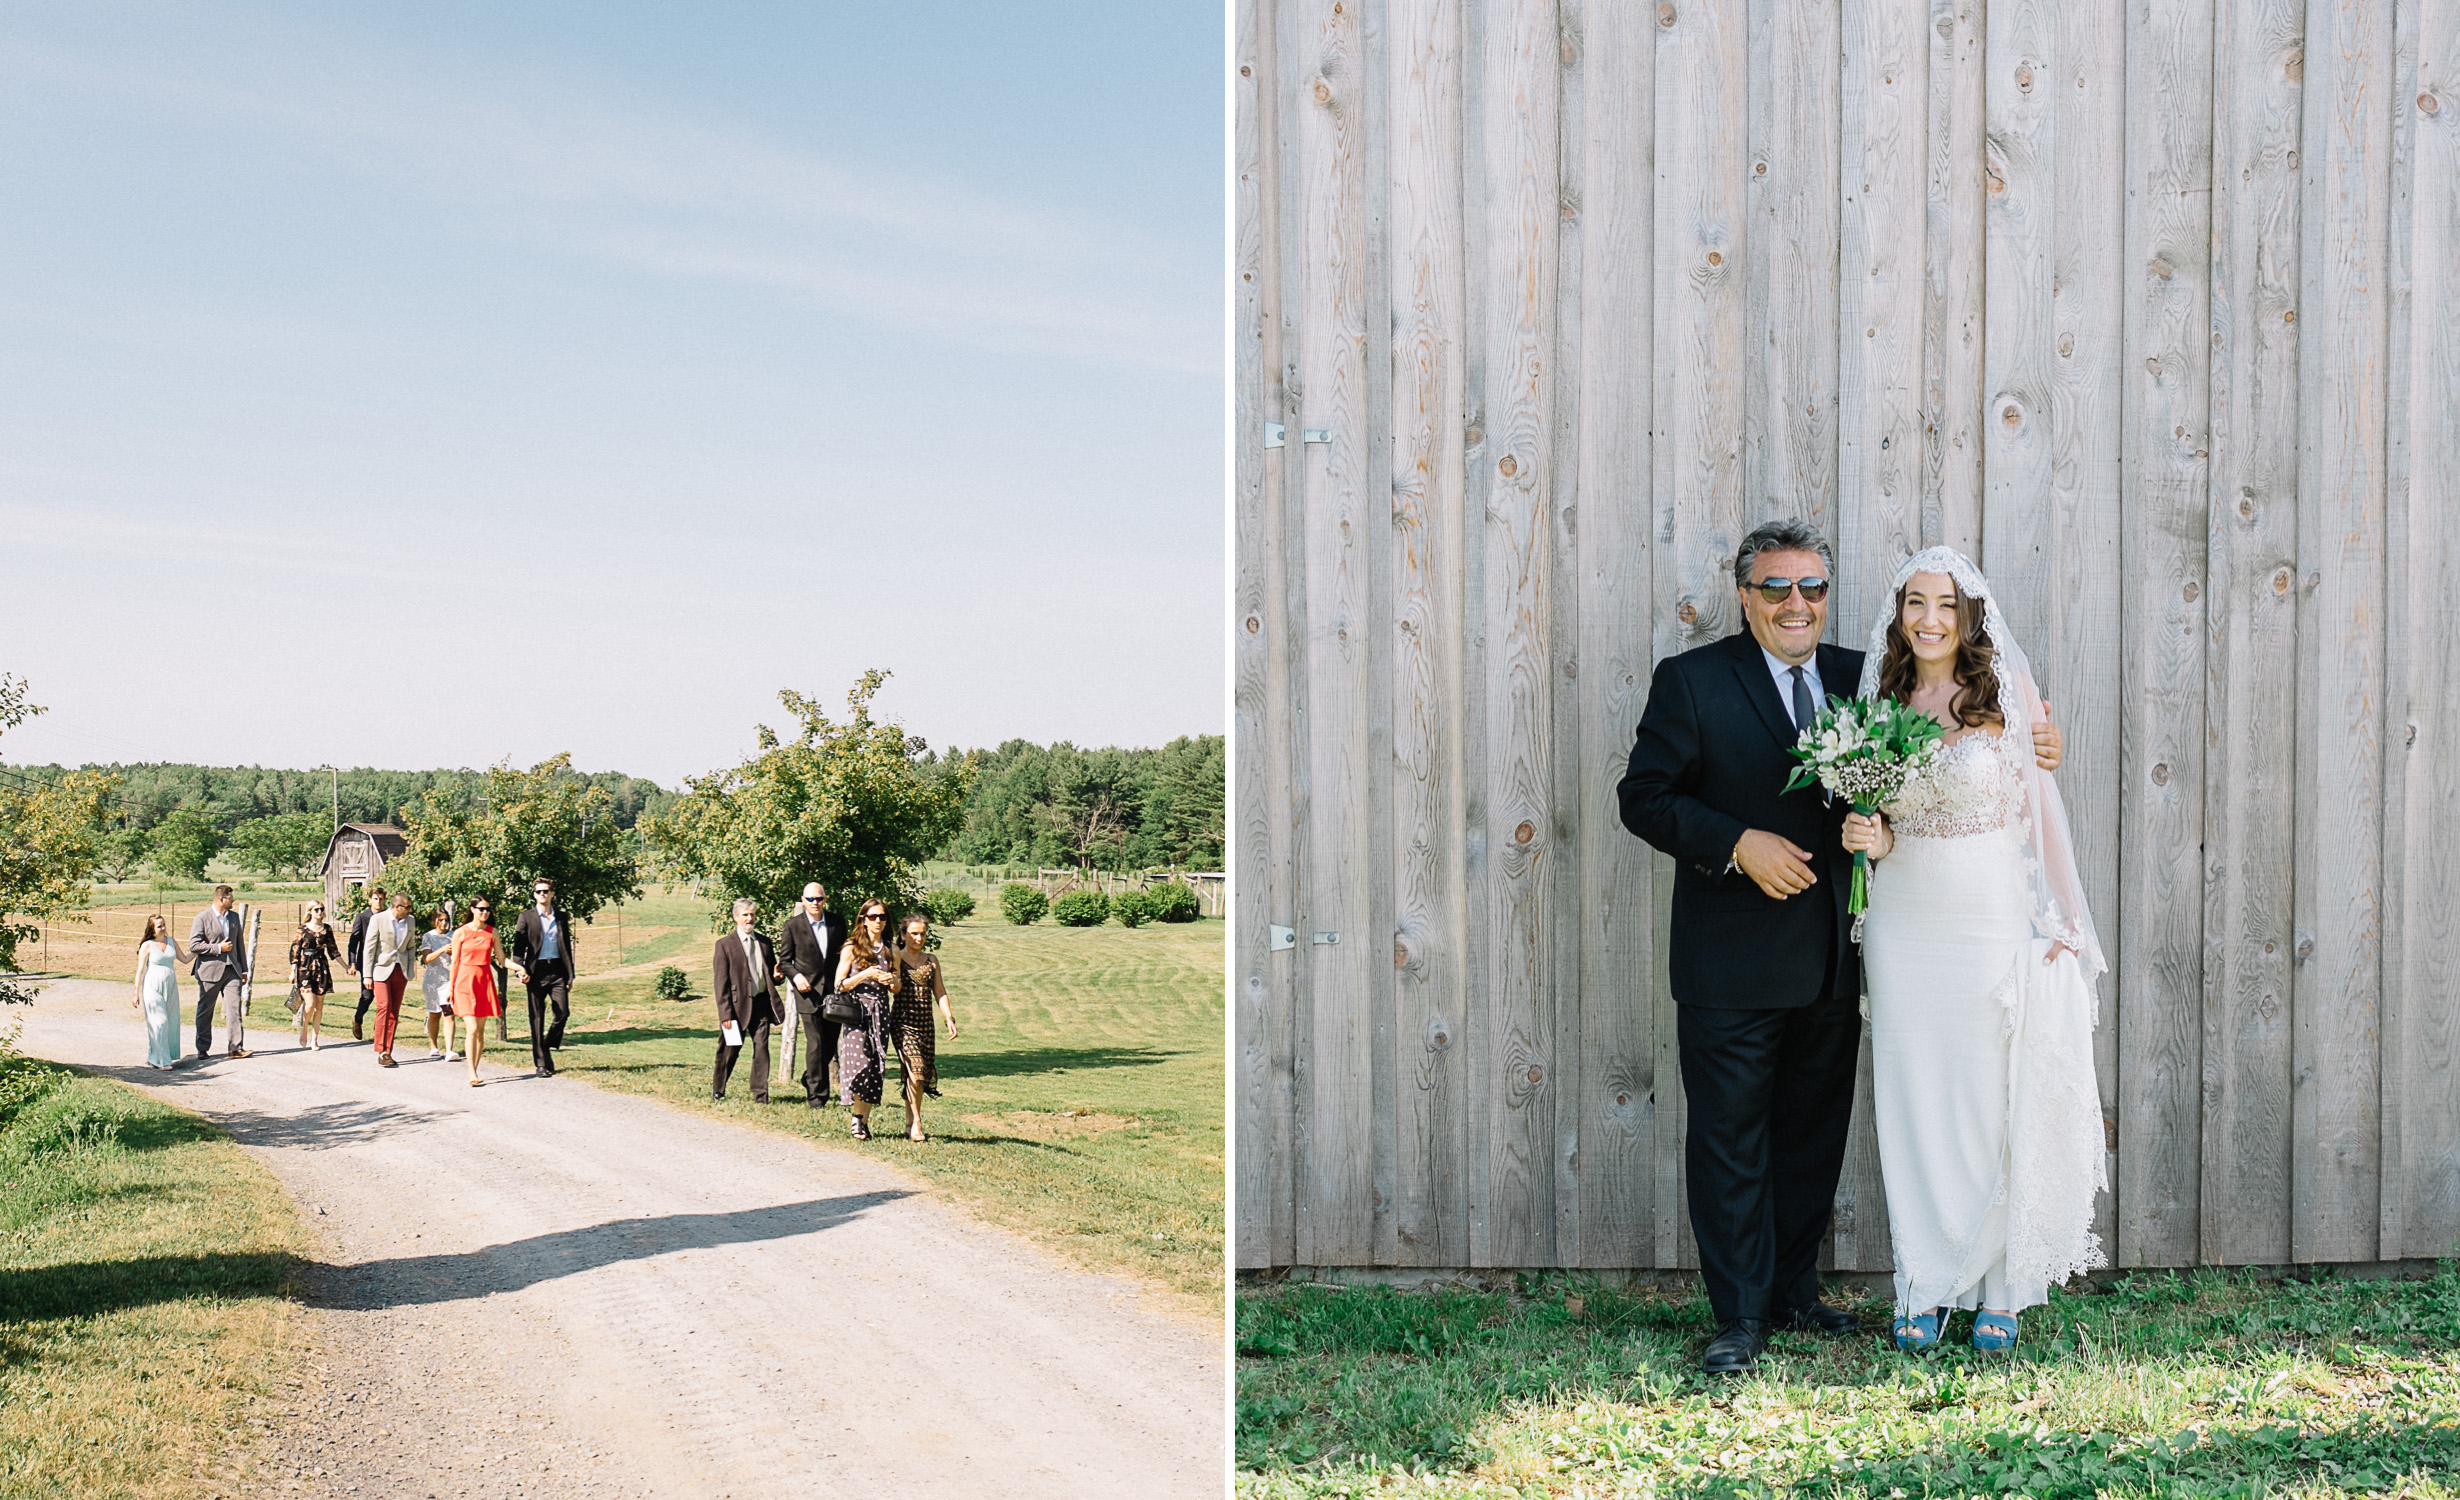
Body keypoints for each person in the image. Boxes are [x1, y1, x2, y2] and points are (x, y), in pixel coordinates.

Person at [1616, 520, 2064, 1375]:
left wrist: (2040, 740)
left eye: (1812, 588)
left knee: (1811, 1138)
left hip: (1840, 956)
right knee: (1731, 1140)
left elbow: (1954, 748)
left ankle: (1793, 1293)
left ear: (1828, 598)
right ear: (1744, 595)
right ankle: (1739, 1319)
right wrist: (1736, 842)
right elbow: (1642, 797)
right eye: (1777, 588)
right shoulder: (1693, 681)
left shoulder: (1863, 680)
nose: (1797, 604)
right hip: (1733, 963)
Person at [1839, 548, 2106, 1354]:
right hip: (1904, 922)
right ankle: (1923, 1281)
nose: (1928, 619)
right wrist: (1869, 838)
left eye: (1945, 606)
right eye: (1914, 603)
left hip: (1990, 914)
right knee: (1913, 1096)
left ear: (1968, 617)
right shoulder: (1881, 699)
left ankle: (1998, 1287)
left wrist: (2060, 921)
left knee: (1992, 1099)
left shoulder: (2005, 696)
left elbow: (2041, 815)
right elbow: (1873, 817)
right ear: (1900, 615)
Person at [773, 882, 847, 1109]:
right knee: (815, 1043)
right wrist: (796, 977)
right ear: (803, 900)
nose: (815, 903)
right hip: (807, 993)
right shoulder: (793, 926)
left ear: (825, 899)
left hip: (833, 994)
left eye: (819, 899)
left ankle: (809, 1077)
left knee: (829, 1045)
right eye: (810, 899)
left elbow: (846, 954)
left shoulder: (837, 923)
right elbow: (785, 961)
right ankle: (818, 1097)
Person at [888, 912, 959, 1142]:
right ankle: (917, 1123)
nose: (919, 938)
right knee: (915, 1071)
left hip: (925, 1024)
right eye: (914, 934)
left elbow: (940, 991)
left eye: (922, 934)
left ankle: (909, 1122)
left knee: (918, 1076)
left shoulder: (932, 960)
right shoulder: (897, 956)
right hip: (902, 1022)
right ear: (903, 934)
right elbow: (895, 989)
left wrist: (948, 1018)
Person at [832, 899, 898, 1140]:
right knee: (860, 1063)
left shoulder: (892, 949)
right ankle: (857, 1119)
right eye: (872, 917)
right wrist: (865, 974)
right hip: (855, 1012)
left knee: (874, 1066)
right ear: (863, 919)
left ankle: (861, 1122)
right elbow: (839, 985)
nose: (878, 921)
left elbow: (897, 987)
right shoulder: (852, 947)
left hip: (880, 1013)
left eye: (882, 917)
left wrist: (892, 981)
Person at [711, 898, 783, 1102]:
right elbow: (720, 983)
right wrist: (725, 1014)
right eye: (745, 915)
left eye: (752, 914)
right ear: (736, 918)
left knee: (761, 1048)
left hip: (761, 1006)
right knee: (729, 1050)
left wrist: (778, 977)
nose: (749, 918)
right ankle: (719, 1090)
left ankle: (760, 1094)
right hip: (736, 1008)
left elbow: (771, 975)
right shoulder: (724, 945)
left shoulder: (765, 943)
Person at [508, 878, 574, 1078]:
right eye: (538, 892)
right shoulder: (526, 917)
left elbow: (567, 947)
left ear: (552, 893)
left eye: (546, 891)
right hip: (535, 972)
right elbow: (518, 947)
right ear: (534, 895)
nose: (542, 894)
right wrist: (520, 970)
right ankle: (541, 1064)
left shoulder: (561, 917)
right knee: (537, 1018)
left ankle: (546, 1046)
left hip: (557, 971)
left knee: (562, 1013)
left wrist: (570, 974)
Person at [187, 885, 252, 1060]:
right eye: (231, 898)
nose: (233, 901)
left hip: (233, 971)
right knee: (206, 1010)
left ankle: (235, 1048)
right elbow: (193, 945)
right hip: (210, 971)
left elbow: (239, 944)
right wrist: (218, 948)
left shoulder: (234, 917)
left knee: (234, 1009)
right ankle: (202, 1048)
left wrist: (244, 970)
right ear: (221, 899)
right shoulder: (202, 918)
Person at [444, 899, 502, 1086]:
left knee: (480, 1031)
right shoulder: (461, 932)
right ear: (472, 910)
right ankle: (471, 1072)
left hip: (484, 982)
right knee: (472, 1028)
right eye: (481, 909)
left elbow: (501, 958)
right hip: (464, 982)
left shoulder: (492, 932)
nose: (485, 912)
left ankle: (475, 1068)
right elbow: (454, 963)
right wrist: (451, 988)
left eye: (487, 909)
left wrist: (519, 968)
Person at [363, 892, 418, 1068]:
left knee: (394, 1010)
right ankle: (380, 1049)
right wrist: (367, 975)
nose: (411, 910)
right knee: (383, 1007)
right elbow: (369, 949)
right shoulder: (378, 919)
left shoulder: (410, 921)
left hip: (400, 971)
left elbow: (411, 947)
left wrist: (410, 969)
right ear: (397, 907)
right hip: (381, 970)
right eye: (407, 907)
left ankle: (388, 1051)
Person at [131, 914, 185, 1069]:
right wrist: (135, 992)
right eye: (159, 926)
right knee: (160, 1021)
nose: (163, 928)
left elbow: (185, 958)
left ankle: (154, 1057)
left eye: (164, 925)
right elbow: (140, 970)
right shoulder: (147, 945)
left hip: (170, 986)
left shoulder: (171, 941)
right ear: (152, 930)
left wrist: (201, 950)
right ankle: (163, 1061)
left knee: (170, 1021)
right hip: (152, 986)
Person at [287, 901, 342, 1050]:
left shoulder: (327, 929)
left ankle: (315, 1039)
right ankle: (304, 1028)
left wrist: (346, 966)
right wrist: (293, 970)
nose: (319, 912)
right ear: (310, 911)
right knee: (309, 1003)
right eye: (316, 909)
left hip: (321, 967)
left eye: (321, 909)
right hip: (304, 968)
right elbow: (295, 950)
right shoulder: (303, 929)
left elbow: (333, 951)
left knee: (319, 1006)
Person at [417, 906, 460, 1060]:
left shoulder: (454, 935)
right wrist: (441, 949)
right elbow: (426, 959)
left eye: (446, 920)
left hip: (449, 979)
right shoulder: (428, 936)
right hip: (433, 981)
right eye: (440, 920)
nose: (443, 923)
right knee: (434, 1014)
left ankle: (449, 1049)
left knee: (449, 1013)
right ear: (434, 921)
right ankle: (434, 1046)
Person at [346, 884, 386, 1041]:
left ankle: (380, 1030)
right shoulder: (362, 918)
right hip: (366, 962)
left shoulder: (387, 917)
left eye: (381, 899)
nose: (378, 902)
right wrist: (352, 963)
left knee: (383, 998)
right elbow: (353, 941)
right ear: (370, 900)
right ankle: (358, 1019)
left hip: (383, 962)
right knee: (368, 995)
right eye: (375, 899)